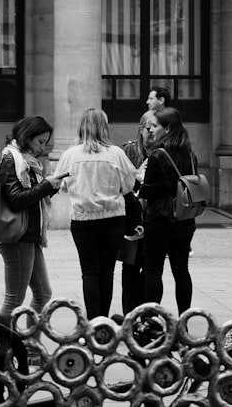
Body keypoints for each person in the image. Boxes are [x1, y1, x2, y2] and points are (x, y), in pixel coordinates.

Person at [54, 109, 136, 318]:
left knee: (89, 271)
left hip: (82, 220)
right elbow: (128, 186)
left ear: (82, 126)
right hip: (113, 219)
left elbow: (60, 185)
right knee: (107, 272)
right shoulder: (116, 153)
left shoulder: (69, 155)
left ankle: (92, 320)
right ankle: (103, 320)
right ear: (104, 127)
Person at [0, 116, 63, 323]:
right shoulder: (11, 159)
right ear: (27, 136)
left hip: (30, 236)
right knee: (14, 299)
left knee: (43, 295)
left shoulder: (27, 161)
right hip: (19, 237)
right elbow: (16, 199)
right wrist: (45, 187)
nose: (42, 148)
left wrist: (50, 189)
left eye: (45, 142)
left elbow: (31, 198)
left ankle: (32, 351)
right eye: (40, 142)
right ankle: (1, 352)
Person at [138, 106, 198, 315]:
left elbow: (149, 190)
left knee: (153, 271)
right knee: (181, 271)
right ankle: (184, 319)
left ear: (168, 128)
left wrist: (141, 185)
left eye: (155, 126)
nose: (151, 129)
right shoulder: (190, 154)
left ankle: (151, 319)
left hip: (159, 221)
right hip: (184, 220)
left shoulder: (158, 155)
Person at [118, 109, 155, 315]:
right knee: (129, 266)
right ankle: (128, 312)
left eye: (154, 128)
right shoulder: (128, 151)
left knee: (150, 267)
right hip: (132, 217)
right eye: (147, 128)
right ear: (140, 129)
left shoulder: (162, 151)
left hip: (153, 216)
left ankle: (146, 312)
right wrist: (137, 175)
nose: (150, 132)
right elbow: (120, 183)